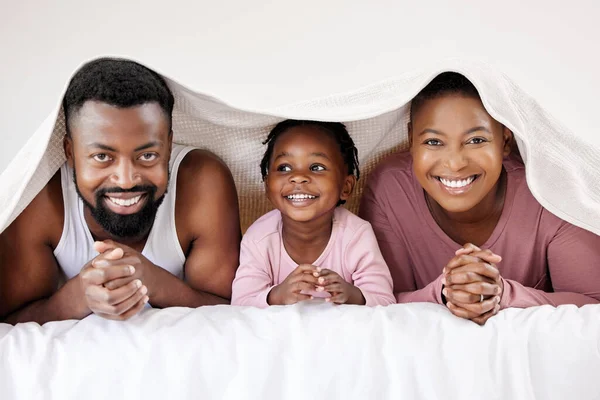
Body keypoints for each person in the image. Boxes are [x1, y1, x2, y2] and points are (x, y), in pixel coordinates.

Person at [0, 58, 241, 324]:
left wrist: (153, 281)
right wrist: (79, 295)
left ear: (169, 146)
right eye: (102, 157)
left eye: (147, 155)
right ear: (70, 152)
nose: (126, 180)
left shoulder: (202, 182)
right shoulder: (40, 197)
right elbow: (8, 322)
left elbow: (233, 310)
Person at [359, 72, 600, 325]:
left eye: (476, 140)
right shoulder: (391, 188)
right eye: (433, 141)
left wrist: (504, 293)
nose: (455, 163)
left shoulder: (549, 193)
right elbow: (379, 301)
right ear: (411, 140)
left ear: (505, 141)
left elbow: (593, 305)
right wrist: (444, 293)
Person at [231, 120, 395, 307]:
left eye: (316, 167)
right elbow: (240, 305)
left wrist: (352, 295)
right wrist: (277, 296)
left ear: (346, 186)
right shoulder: (259, 238)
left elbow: (386, 302)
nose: (298, 176)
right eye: (284, 167)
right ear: (268, 186)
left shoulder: (357, 234)